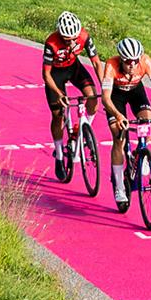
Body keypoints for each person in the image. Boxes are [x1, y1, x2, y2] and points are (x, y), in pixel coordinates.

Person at [99, 37, 151, 205]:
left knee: (147, 123)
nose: (132, 64)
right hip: (116, 96)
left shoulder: (145, 61)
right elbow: (105, 98)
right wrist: (118, 115)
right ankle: (119, 186)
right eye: (127, 61)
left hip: (135, 91)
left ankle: (142, 155)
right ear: (121, 59)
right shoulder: (111, 65)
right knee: (119, 137)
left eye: (135, 61)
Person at [41, 10, 102, 179]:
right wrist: (59, 94)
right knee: (58, 116)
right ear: (61, 35)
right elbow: (46, 75)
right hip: (55, 75)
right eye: (67, 40)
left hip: (74, 68)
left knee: (92, 97)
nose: (71, 43)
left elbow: (96, 62)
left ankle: (84, 130)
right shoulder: (51, 43)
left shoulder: (84, 36)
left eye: (74, 39)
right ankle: (60, 155)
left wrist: (105, 86)